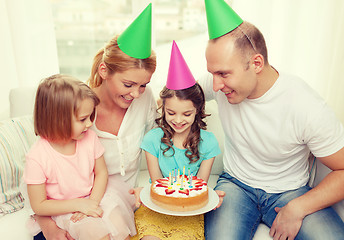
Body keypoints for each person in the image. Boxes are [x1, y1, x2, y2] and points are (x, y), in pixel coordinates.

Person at [201, 1, 344, 240]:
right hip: (235, 185)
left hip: (290, 192)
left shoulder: (305, 106)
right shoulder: (220, 85)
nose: (215, 86)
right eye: (212, 74)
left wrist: (298, 207)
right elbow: (176, 96)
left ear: (256, 63)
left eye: (223, 74)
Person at [31, 4, 157, 240]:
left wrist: (153, 187)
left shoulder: (145, 99)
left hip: (117, 200)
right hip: (74, 206)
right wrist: (49, 227)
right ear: (104, 70)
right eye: (128, 85)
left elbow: (157, 145)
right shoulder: (76, 107)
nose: (136, 94)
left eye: (143, 85)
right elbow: (41, 174)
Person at [24, 74, 134, 240]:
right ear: (57, 120)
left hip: (94, 196)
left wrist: (93, 203)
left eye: (90, 117)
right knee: (93, 231)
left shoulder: (90, 138)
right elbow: (39, 205)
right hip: (63, 208)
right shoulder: (37, 157)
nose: (90, 124)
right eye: (83, 119)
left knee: (117, 223)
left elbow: (101, 173)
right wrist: (80, 205)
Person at [134, 41, 221, 240]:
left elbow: (200, 185)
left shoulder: (208, 143)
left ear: (198, 111)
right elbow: (157, 184)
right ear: (162, 108)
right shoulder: (152, 140)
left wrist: (211, 197)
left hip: (188, 213)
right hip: (155, 209)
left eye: (187, 114)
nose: (178, 120)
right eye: (171, 112)